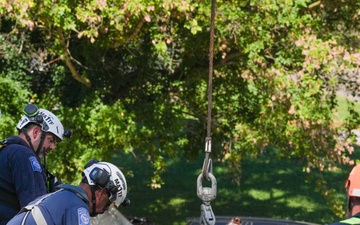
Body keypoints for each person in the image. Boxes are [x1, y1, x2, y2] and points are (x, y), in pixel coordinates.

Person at [0, 104, 71, 225]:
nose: (53, 147)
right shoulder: (25, 156)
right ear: (36, 132)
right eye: (51, 140)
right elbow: (37, 214)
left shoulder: (6, 151)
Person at [6, 160, 130, 225]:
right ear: (101, 193)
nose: (107, 209)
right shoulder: (77, 207)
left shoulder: (61, 197)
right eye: (109, 203)